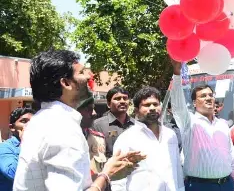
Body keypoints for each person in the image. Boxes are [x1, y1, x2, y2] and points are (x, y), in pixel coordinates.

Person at [13, 50, 144, 191]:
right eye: (81, 73)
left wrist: (107, 171)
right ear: (66, 83)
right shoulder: (62, 128)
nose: (89, 76)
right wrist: (106, 176)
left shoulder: (42, 119)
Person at [170, 59, 234, 191]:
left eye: (211, 95)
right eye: (203, 96)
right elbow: (178, 106)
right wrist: (177, 74)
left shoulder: (223, 125)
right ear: (194, 103)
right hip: (200, 186)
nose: (208, 98)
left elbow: (232, 158)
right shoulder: (189, 122)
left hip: (227, 185)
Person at [112, 86, 184, 191]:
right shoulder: (127, 138)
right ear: (136, 110)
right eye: (146, 105)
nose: (152, 108)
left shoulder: (170, 135)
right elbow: (118, 180)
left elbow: (177, 168)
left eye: (155, 104)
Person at [93, 86, 135, 158]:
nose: (122, 101)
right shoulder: (98, 125)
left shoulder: (136, 125)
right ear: (108, 104)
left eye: (125, 98)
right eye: (117, 99)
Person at [0, 108, 35, 191]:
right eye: (24, 121)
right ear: (12, 127)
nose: (30, 124)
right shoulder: (5, 148)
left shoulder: (39, 146)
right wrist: (25, 142)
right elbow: (14, 173)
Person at [77, 91, 107, 179]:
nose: (94, 113)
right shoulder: (62, 138)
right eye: (88, 109)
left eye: (93, 109)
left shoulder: (99, 138)